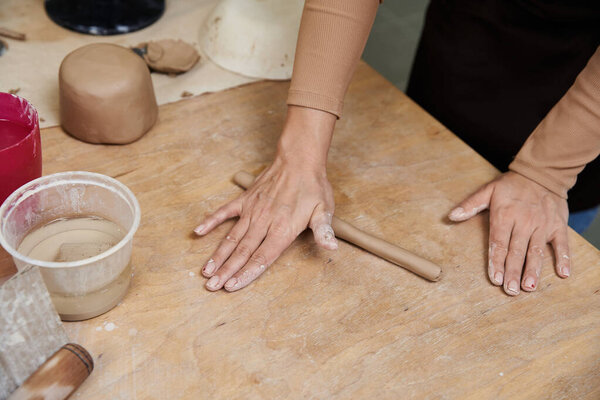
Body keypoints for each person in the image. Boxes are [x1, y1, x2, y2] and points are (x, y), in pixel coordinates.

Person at [194, 0, 600, 296]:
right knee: (430, 132)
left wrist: (546, 173)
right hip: (469, 35)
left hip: (583, 103)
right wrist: (300, 154)